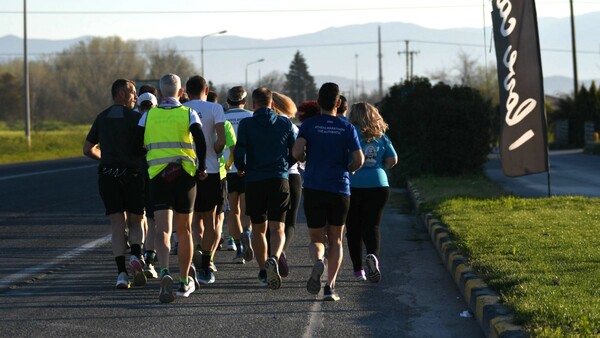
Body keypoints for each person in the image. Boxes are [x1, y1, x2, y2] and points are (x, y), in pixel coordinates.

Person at [138, 73, 207, 303]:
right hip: (184, 176)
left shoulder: (148, 116)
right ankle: (185, 280)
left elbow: (137, 145)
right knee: (185, 230)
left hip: (157, 176)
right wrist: (202, 167)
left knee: (162, 230)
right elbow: (200, 140)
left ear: (159, 93)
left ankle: (165, 271)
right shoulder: (188, 112)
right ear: (181, 93)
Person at [292, 82, 365, 301]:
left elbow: (296, 152)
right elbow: (359, 159)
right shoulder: (347, 127)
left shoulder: (309, 125)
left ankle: (317, 261)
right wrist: (348, 171)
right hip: (339, 189)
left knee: (316, 238)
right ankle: (330, 288)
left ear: (318, 101)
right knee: (336, 240)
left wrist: (305, 158)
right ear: (339, 102)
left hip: (314, 187)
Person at [83, 78, 147, 290]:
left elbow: (87, 149)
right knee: (137, 221)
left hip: (108, 176)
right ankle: (136, 256)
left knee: (117, 224)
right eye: (133, 93)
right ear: (121, 93)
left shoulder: (101, 118)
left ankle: (121, 274)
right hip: (133, 175)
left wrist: (106, 157)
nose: (136, 97)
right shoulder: (138, 118)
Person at [234, 87, 296, 289]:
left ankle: (263, 270)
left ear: (254, 104)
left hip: (255, 180)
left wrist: (243, 168)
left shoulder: (246, 123)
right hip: (279, 179)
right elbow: (294, 151)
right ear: (272, 103)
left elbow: (239, 153)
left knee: (259, 229)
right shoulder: (285, 122)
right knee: (278, 227)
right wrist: (285, 165)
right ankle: (275, 258)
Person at [346, 102, 397, 283]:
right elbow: (393, 159)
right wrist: (381, 167)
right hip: (379, 184)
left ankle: (358, 270)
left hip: (353, 184)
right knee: (372, 225)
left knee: (353, 228)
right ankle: (373, 256)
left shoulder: (349, 132)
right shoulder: (380, 135)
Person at [183, 75, 226, 285]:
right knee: (210, 219)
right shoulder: (215, 108)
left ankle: (194, 255)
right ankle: (207, 261)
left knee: (189, 221)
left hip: (186, 170)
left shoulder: (182, 109)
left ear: (185, 91)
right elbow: (222, 139)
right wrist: (215, 151)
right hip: (209, 169)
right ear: (206, 89)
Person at [271, 92, 300, 278]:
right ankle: (280, 252)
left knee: (271, 221)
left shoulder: (267, 124)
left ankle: (273, 253)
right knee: (290, 221)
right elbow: (299, 152)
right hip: (292, 175)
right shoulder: (293, 127)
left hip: (269, 176)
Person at [224, 86, 254, 264]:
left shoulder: (222, 117)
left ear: (228, 102)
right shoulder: (251, 117)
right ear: (244, 102)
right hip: (248, 168)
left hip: (227, 170)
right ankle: (247, 233)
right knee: (245, 209)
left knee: (232, 211)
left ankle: (238, 249)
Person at [135, 92, 160, 279]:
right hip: (155, 173)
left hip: (136, 174)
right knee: (154, 222)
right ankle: (149, 260)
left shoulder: (135, 121)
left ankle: (139, 254)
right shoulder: (158, 120)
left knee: (137, 219)